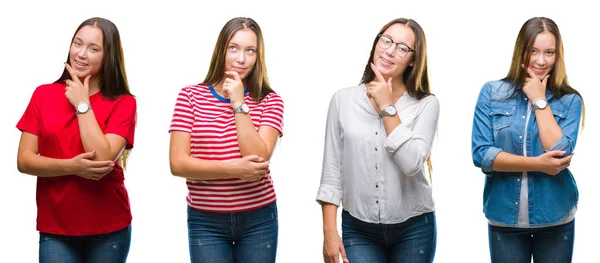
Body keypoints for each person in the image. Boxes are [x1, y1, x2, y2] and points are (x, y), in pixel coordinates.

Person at [316, 18, 439, 263]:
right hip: (359, 228)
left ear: (413, 60)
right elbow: (332, 171)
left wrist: (387, 107)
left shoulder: (426, 104)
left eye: (403, 47)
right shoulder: (343, 100)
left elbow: (412, 163)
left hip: (414, 228)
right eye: (387, 40)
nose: (390, 51)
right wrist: (329, 232)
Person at [16, 17, 136, 263]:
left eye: (93, 48)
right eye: (77, 44)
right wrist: (72, 167)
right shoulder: (43, 95)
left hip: (109, 228)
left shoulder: (124, 103)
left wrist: (83, 104)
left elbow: (102, 158)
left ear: (108, 56)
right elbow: (24, 161)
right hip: (56, 227)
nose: (81, 54)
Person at [169, 17, 284, 263]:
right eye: (234, 48)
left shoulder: (270, 100)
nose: (241, 58)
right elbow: (178, 164)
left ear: (258, 56)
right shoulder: (190, 96)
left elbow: (258, 159)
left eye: (250, 50)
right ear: (221, 49)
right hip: (205, 220)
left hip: (259, 219)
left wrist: (238, 102)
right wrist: (233, 169)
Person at [471, 17, 584, 263]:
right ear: (521, 50)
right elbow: (482, 155)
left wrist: (540, 101)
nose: (541, 60)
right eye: (533, 51)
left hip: (556, 216)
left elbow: (559, 155)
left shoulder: (571, 100)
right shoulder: (492, 93)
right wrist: (539, 164)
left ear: (558, 55)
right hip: (504, 218)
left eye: (549, 52)